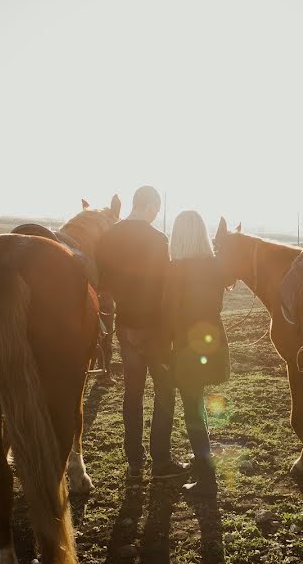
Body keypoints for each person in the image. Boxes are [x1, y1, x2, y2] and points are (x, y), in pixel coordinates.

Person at [96, 186, 190, 481]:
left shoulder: (110, 236)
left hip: (125, 327)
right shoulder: (157, 239)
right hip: (155, 329)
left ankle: (135, 461)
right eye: (157, 208)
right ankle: (161, 461)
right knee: (164, 393)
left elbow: (103, 282)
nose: (157, 214)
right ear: (148, 205)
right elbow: (167, 288)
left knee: (133, 393)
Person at [162, 210, 230, 497]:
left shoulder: (174, 269)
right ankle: (204, 458)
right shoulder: (216, 266)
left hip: (187, 347)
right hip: (212, 342)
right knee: (199, 403)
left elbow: (168, 314)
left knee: (192, 408)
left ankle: (205, 474)